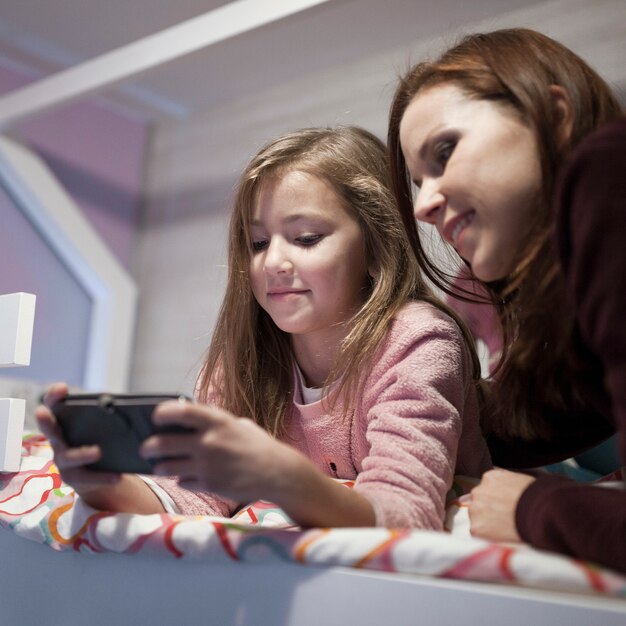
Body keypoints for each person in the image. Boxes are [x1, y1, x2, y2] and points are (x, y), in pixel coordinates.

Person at [37, 126, 491, 530]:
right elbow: (197, 498)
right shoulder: (239, 361)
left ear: (376, 250)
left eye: (306, 238)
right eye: (257, 243)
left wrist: (281, 477)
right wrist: (102, 487)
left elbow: (405, 515)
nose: (272, 262)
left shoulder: (420, 340)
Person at [387, 27, 626, 572]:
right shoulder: (568, 303)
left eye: (444, 151)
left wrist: (532, 507)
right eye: (417, 181)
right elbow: (532, 420)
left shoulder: (608, 170)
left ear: (554, 113)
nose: (424, 204)